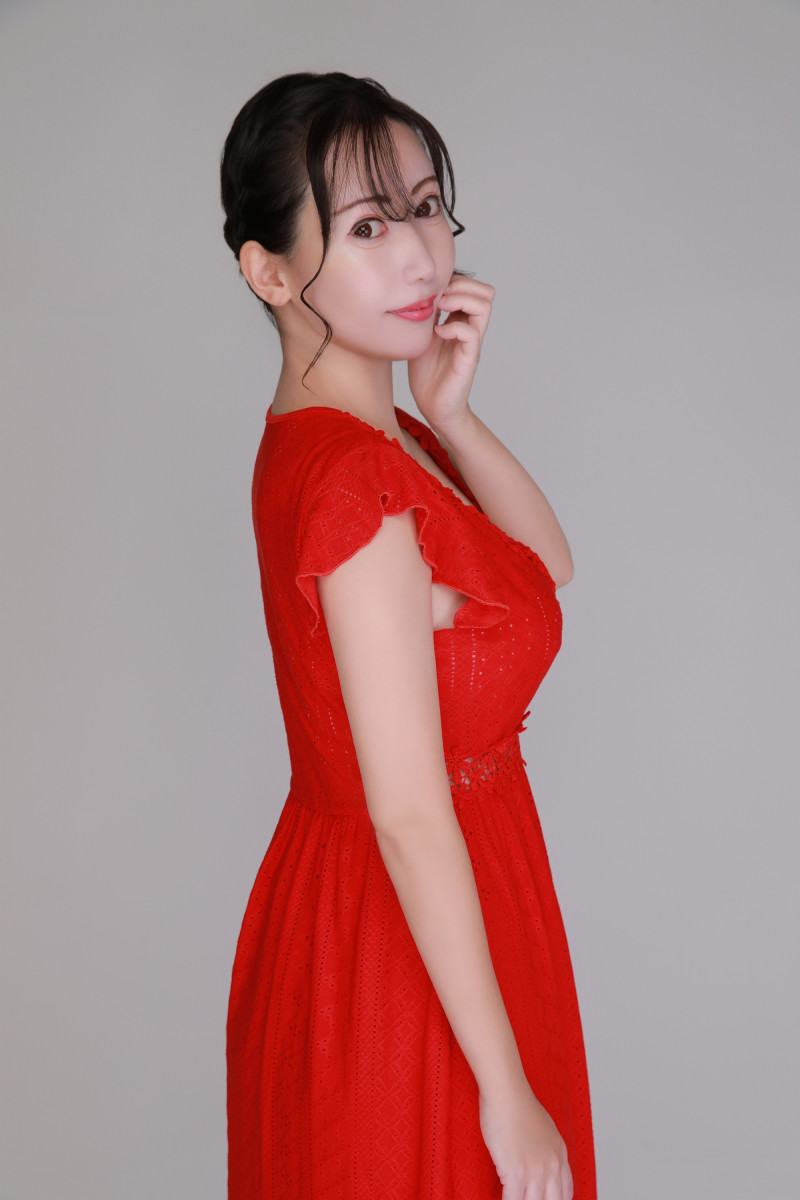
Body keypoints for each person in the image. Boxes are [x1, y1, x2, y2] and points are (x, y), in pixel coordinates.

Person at [220, 71, 597, 1200]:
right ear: (269, 271)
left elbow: (543, 573)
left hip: (455, 904)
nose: (422, 256)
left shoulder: (369, 440)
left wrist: (452, 413)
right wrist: (503, 1087)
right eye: (368, 227)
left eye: (426, 208)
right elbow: (405, 810)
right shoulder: (354, 482)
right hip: (401, 950)